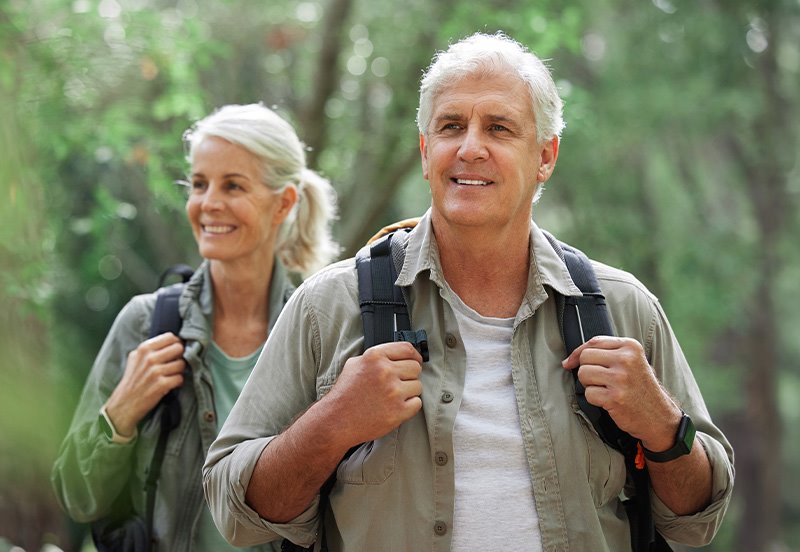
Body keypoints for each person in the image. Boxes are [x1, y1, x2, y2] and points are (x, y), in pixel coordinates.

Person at [203, 33, 734, 551]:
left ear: (545, 156)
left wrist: (664, 427)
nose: (471, 148)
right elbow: (236, 515)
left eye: (499, 128)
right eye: (452, 126)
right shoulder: (327, 307)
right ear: (425, 148)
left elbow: (697, 521)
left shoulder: (622, 308)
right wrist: (334, 421)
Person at [51, 103, 339, 552]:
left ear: (282, 203)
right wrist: (120, 416)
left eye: (233, 185)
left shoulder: (320, 332)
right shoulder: (146, 324)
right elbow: (76, 496)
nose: (209, 204)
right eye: (199, 184)